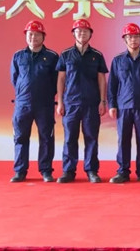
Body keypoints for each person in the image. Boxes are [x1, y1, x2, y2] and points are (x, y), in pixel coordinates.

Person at [107, 23, 140, 184]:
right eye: (130, 37)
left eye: (136, 36)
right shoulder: (118, 60)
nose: (133, 40)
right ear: (125, 39)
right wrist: (112, 104)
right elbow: (112, 84)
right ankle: (122, 172)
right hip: (123, 107)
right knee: (123, 140)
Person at [56, 19, 108, 183]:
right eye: (78, 31)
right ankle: (68, 171)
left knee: (91, 138)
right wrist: (60, 102)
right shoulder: (66, 54)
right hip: (71, 103)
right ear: (74, 34)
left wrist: (102, 101)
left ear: (90, 34)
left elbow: (101, 79)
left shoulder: (97, 55)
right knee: (70, 138)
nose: (82, 34)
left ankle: (91, 170)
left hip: (91, 103)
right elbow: (61, 79)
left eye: (85, 31)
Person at [9, 20, 59, 183]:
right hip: (22, 104)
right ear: (26, 36)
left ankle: (46, 170)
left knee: (46, 138)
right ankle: (20, 171)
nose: (33, 37)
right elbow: (15, 79)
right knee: (20, 137)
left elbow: (57, 81)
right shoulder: (18, 56)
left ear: (43, 36)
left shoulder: (52, 56)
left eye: (37, 34)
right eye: (30, 34)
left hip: (44, 104)